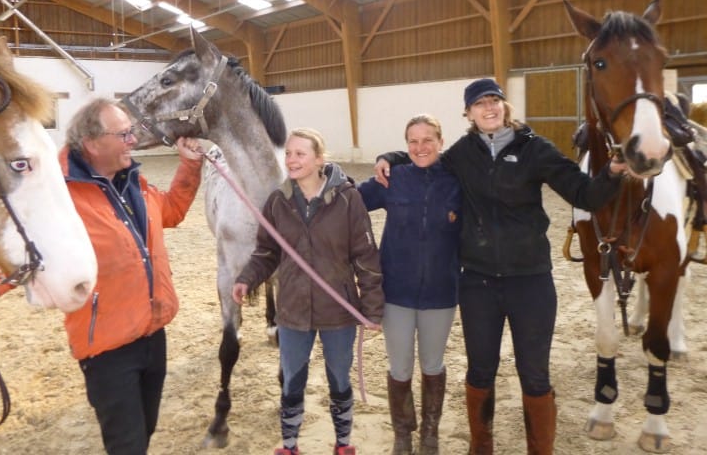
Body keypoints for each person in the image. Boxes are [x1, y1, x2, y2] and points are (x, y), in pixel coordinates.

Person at [375, 79, 626, 455]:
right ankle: (481, 447)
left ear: (505, 107)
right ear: (469, 114)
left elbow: (582, 193)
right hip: (477, 283)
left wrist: (614, 172)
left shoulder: (535, 149)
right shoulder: (461, 153)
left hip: (531, 281)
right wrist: (391, 157)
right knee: (480, 372)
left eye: (494, 100)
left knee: (535, 374)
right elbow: (425, 156)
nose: (488, 108)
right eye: (479, 104)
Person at [0, 98, 203, 455]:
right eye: (124, 134)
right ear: (93, 143)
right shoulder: (60, 194)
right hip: (108, 347)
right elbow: (23, 246)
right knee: (127, 445)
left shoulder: (133, 182)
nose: (133, 140)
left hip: (154, 333)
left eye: (131, 132)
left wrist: (189, 165)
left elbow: (171, 211)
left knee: (145, 430)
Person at [231, 128, 384, 455]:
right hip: (293, 312)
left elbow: (366, 257)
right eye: (288, 153)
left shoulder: (348, 199)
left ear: (319, 159)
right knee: (292, 381)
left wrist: (372, 309)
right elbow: (266, 252)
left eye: (301, 154)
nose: (292, 160)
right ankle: (289, 446)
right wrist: (247, 278)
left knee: (339, 381)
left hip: (339, 311)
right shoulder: (278, 201)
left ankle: (343, 444)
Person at [357, 114, 462, 455]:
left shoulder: (458, 180)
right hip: (397, 293)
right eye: (413, 142)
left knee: (433, 365)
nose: (420, 147)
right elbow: (350, 201)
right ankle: (403, 432)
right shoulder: (393, 180)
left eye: (428, 140)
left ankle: (429, 431)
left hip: (441, 293)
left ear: (441, 142)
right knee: (399, 366)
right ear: (406, 145)